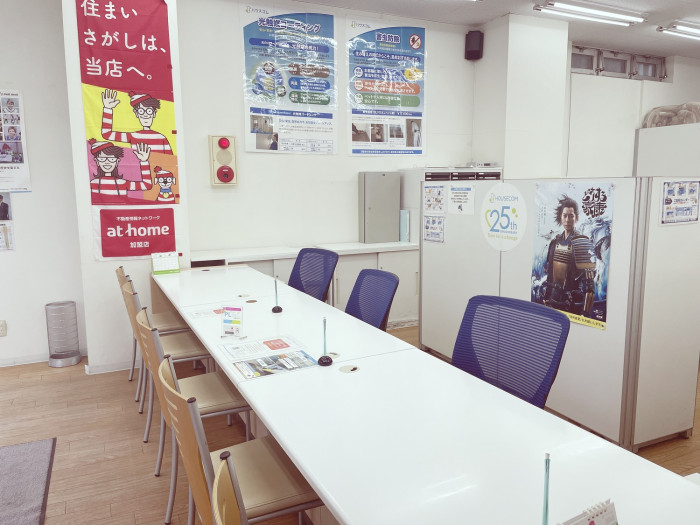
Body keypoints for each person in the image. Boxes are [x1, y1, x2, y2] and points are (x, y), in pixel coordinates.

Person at [543, 195, 596, 317]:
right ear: (560, 217)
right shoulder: (554, 243)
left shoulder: (581, 244)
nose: (567, 220)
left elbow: (589, 287)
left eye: (571, 216)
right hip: (552, 304)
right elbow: (550, 276)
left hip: (571, 307)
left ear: (576, 218)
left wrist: (584, 314)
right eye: (565, 215)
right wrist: (546, 299)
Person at [101, 89, 173, 154]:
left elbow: (171, 161)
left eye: (149, 111)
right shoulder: (134, 136)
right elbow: (107, 134)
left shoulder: (162, 138)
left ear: (154, 113)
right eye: (141, 111)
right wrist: (108, 108)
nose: (145, 115)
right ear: (136, 114)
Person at [88, 139, 153, 200]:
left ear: (117, 161)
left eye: (111, 159)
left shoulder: (122, 183)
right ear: (97, 161)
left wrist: (144, 161)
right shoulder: (93, 183)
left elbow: (147, 185)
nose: (107, 162)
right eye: (102, 159)